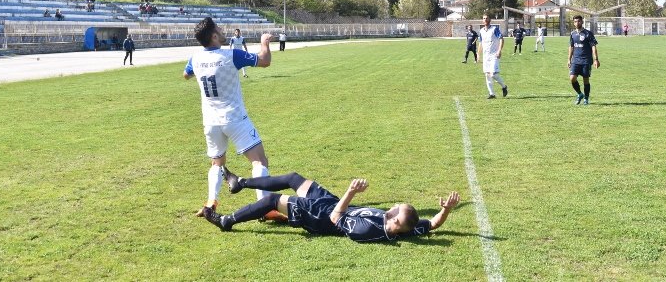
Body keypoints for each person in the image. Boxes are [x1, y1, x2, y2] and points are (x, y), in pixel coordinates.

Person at [183, 17, 282, 220]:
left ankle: (211, 203)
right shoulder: (231, 55)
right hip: (234, 118)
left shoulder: (195, 57)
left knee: (217, 164)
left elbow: (185, 74)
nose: (221, 30)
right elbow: (265, 61)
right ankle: (265, 209)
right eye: (218, 29)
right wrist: (264, 42)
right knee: (259, 161)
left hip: (211, 121)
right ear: (213, 35)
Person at [202, 167, 460, 243]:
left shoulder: (368, 229)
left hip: (322, 218)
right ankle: (240, 182)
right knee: (293, 178)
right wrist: (445, 210)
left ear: (394, 222)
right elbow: (433, 224)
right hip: (332, 203)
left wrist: (349, 192)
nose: (392, 206)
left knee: (272, 200)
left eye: (395, 209)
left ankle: (227, 221)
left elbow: (337, 219)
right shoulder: (408, 227)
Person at [568, 15, 601, 105]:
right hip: (575, 60)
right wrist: (569, 59)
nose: (577, 23)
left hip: (586, 61)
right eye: (575, 21)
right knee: (572, 78)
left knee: (585, 80)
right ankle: (580, 94)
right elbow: (571, 47)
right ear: (573, 23)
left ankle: (586, 98)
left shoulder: (588, 33)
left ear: (582, 22)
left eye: (578, 21)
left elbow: (593, 46)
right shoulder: (572, 34)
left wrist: (596, 59)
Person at [477, 13, 508, 99]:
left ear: (490, 20)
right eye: (484, 18)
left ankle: (504, 86)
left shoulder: (494, 29)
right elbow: (480, 43)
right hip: (486, 56)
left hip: (494, 55)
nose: (485, 20)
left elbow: (501, 39)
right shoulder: (481, 31)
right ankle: (492, 94)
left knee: (493, 74)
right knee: (487, 75)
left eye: (487, 18)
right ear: (482, 20)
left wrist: (499, 50)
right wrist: (478, 54)